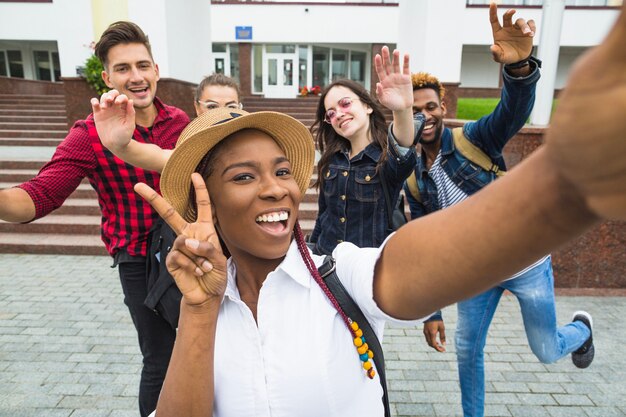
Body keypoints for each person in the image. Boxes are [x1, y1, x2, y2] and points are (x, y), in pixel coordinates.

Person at [131, 2, 626, 412]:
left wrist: (568, 178)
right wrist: (198, 310)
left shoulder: (341, 274)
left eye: (283, 171)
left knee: (515, 347)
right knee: (466, 349)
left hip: (393, 278)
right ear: (208, 200)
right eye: (245, 176)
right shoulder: (200, 308)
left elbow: (408, 258)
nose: (276, 189)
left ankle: (575, 332)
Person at [405, 5, 594, 417]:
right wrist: (432, 312)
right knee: (466, 349)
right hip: (477, 273)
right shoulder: (415, 181)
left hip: (525, 261)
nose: (426, 115)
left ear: (442, 107)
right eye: (416, 109)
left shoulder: (473, 139)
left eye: (432, 106)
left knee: (546, 351)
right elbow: (425, 249)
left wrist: (520, 68)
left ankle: (580, 331)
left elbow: (513, 110)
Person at [0, 21, 189, 417]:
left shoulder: (182, 123)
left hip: (190, 252)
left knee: (204, 347)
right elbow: (38, 197)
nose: (135, 77)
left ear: (156, 69)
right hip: (138, 260)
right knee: (159, 358)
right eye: (123, 69)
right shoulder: (88, 133)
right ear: (106, 77)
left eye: (142, 65)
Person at [308, 46, 417, 256]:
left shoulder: (385, 160)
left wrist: (402, 109)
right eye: (330, 113)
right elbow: (324, 216)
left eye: (345, 104)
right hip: (327, 265)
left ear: (367, 106)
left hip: (367, 273)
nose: (338, 114)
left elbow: (403, 149)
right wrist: (313, 254)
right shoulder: (331, 162)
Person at [93, 72, 242, 173]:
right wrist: (118, 145)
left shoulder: (256, 140)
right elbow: (160, 157)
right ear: (197, 107)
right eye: (212, 106)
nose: (222, 113)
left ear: (241, 108)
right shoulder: (194, 149)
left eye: (231, 107)